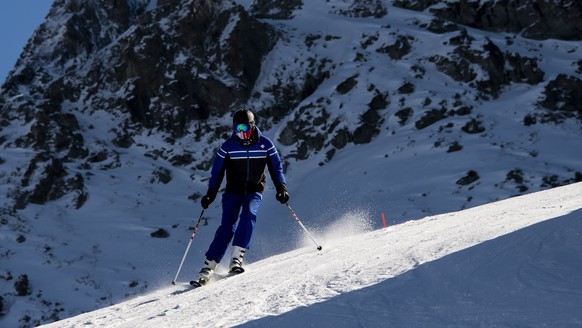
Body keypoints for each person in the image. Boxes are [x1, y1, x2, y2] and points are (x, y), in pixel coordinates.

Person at [193, 109, 289, 286]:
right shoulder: (228, 147)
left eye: (244, 128)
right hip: (233, 191)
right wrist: (210, 194)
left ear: (252, 126)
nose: (241, 133)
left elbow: (276, 167)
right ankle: (209, 266)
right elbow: (217, 172)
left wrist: (281, 188)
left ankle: (236, 257)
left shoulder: (265, 145)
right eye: (237, 129)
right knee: (226, 227)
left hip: (254, 190)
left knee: (248, 215)